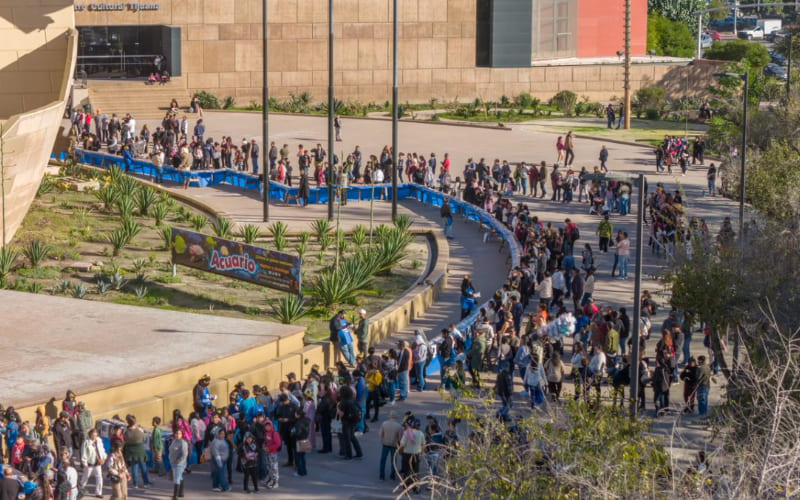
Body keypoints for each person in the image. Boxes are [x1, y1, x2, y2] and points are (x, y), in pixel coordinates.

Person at [398, 418, 425, 495]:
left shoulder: (407, 433)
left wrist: (400, 451)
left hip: (407, 455)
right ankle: (416, 488)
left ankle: (406, 489)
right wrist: (421, 453)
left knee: (407, 472)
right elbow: (423, 445)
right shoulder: (421, 434)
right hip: (416, 454)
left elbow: (402, 445)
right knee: (415, 472)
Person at [123, 415, 150, 489]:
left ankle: (135, 484)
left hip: (131, 451)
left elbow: (124, 440)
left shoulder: (126, 432)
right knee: (143, 467)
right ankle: (146, 482)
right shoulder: (140, 430)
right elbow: (144, 439)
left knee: (134, 468)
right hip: (140, 450)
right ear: (135, 422)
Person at [337, 385, 363, 460]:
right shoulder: (353, 400)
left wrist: (338, 410)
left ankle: (349, 455)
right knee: (352, 436)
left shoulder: (343, 402)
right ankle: (359, 452)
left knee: (346, 438)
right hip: (354, 420)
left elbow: (341, 414)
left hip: (346, 421)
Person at [79, 428, 105, 498]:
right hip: (90, 462)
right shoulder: (86, 442)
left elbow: (102, 449)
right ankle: (80, 490)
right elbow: (83, 453)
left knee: (99, 477)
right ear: (90, 435)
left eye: (96, 435)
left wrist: (104, 457)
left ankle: (98, 492)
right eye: (93, 435)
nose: (95, 437)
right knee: (86, 477)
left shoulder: (99, 441)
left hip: (98, 462)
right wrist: (84, 462)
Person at [378, 411, 403, 481]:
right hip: (394, 445)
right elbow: (400, 437)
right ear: (396, 417)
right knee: (394, 461)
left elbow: (380, 434)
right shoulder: (399, 426)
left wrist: (382, 441)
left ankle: (381, 476)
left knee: (383, 460)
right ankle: (392, 475)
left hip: (385, 444)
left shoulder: (384, 423)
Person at [168, 428, 188, 500]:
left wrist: (179, 460)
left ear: (182, 435)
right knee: (180, 477)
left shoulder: (183, 443)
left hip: (179, 464)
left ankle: (175, 496)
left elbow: (185, 454)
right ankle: (181, 493)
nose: (177, 435)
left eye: (179, 433)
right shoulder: (174, 441)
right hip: (173, 462)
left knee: (176, 478)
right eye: (176, 433)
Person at [290, 408, 311, 477]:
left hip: (299, 440)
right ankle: (304, 471)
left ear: (298, 415)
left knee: (298, 457)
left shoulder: (299, 422)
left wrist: (292, 432)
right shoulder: (306, 421)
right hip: (305, 440)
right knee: (302, 456)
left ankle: (300, 472)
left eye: (296, 413)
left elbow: (297, 432)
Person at [263, 419, 282, 489]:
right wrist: (264, 446)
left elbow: (278, 444)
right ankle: (270, 479)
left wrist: (269, 448)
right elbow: (265, 441)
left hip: (273, 453)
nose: (267, 427)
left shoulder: (274, 433)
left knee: (274, 467)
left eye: (268, 426)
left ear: (271, 426)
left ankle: (275, 481)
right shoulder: (266, 433)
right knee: (269, 467)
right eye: (266, 426)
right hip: (267, 453)